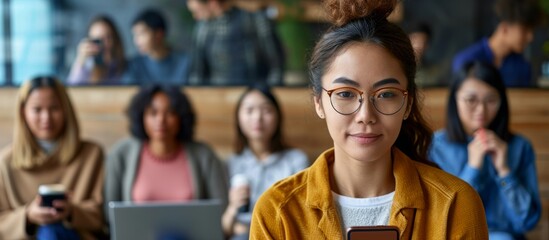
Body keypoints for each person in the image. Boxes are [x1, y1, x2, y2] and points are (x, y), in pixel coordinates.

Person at [249, 0, 488, 239]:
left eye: (385, 95)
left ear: (408, 103)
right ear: (318, 102)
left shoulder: (455, 205)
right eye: (345, 94)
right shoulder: (277, 211)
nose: (366, 116)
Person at [429, 61, 541, 239]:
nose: (481, 110)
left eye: (491, 100)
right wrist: (472, 168)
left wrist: (504, 171)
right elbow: (442, 220)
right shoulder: (435, 147)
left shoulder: (520, 147)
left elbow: (528, 221)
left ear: (501, 102)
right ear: (454, 100)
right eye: (471, 100)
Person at [0, 76, 105, 239]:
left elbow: (103, 216)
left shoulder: (92, 154)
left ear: (66, 110)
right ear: (23, 112)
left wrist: (71, 211)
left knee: (52, 230)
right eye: (37, 110)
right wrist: (28, 216)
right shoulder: (5, 162)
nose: (46, 118)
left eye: (54, 108)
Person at [105, 84, 227, 217]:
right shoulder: (121, 154)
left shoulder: (204, 155)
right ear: (141, 117)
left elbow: (221, 210)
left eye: (170, 113)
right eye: (153, 113)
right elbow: (111, 214)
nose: (161, 120)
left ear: (181, 118)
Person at [222, 84, 309, 239]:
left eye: (266, 110)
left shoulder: (295, 160)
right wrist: (233, 208)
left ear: (278, 117)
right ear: (238, 118)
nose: (257, 118)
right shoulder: (231, 164)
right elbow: (220, 229)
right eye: (249, 111)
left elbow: (302, 216)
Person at [186, 0, 285, 86]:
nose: (195, 17)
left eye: (197, 11)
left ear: (213, 3)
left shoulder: (254, 20)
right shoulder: (202, 29)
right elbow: (197, 71)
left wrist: (271, 90)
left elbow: (276, 62)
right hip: (218, 94)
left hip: (253, 94)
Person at [452, 0, 543, 87]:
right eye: (525, 30)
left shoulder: (522, 67)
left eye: (532, 31)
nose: (531, 37)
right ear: (504, 29)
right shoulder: (466, 61)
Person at [123, 9, 190, 85]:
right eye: (135, 35)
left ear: (159, 34)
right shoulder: (134, 65)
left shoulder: (184, 62)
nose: (136, 41)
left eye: (141, 34)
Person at [67, 15, 127, 85]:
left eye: (108, 38)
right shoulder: (88, 68)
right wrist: (80, 60)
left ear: (115, 40)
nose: (104, 45)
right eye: (97, 40)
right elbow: (72, 89)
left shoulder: (127, 68)